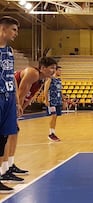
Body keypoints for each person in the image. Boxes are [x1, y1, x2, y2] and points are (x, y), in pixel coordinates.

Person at [1, 57, 57, 185]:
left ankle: (10, 165)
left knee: (14, 133)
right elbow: (20, 92)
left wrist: (20, 112)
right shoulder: (33, 73)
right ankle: (4, 171)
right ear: (43, 68)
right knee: (8, 134)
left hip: (12, 102)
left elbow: (28, 98)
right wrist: (15, 110)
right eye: (51, 68)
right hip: (7, 98)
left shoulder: (42, 79)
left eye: (55, 68)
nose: (54, 71)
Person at [0, 16, 21, 193]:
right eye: (13, 29)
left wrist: (16, 99)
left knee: (3, 138)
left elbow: (11, 76)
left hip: (8, 98)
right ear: (3, 29)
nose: (16, 33)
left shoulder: (10, 51)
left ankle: (2, 173)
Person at [44, 65, 62, 142]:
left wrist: (63, 99)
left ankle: (53, 133)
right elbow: (45, 90)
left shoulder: (59, 80)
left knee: (55, 117)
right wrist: (46, 100)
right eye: (59, 70)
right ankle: (51, 133)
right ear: (55, 71)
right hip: (52, 101)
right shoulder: (50, 79)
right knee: (53, 116)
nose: (61, 72)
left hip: (58, 101)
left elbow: (60, 91)